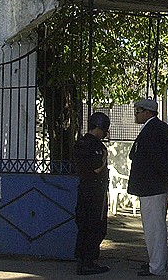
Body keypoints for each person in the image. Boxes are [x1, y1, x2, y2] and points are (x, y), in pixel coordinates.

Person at [128, 98, 168, 277]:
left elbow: (155, 158)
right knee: (154, 227)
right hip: (157, 185)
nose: (136, 115)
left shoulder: (152, 131)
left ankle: (156, 267)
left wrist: (163, 179)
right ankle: (155, 262)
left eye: (138, 111)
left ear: (147, 112)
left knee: (154, 228)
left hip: (152, 186)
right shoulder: (158, 129)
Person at [73, 112, 111, 275]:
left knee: (83, 224)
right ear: (100, 128)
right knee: (96, 226)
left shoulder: (79, 143)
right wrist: (104, 158)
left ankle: (82, 259)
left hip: (84, 188)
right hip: (96, 190)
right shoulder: (95, 146)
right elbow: (97, 168)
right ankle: (89, 261)